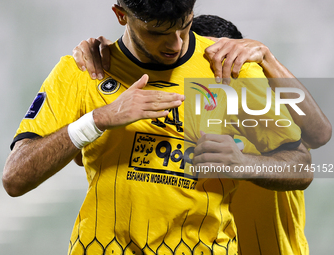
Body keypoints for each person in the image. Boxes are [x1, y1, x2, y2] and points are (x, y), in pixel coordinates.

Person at [2, 2, 313, 255]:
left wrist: (244, 164)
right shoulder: (83, 71)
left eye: (185, 25)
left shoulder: (233, 70)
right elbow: (16, 178)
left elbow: (302, 166)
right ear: (121, 14)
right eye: (157, 33)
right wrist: (97, 120)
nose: (175, 44)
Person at [73, 14, 332, 255]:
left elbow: (320, 135)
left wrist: (266, 58)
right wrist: (105, 62)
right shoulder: (178, 101)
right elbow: (84, 154)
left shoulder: (259, 99)